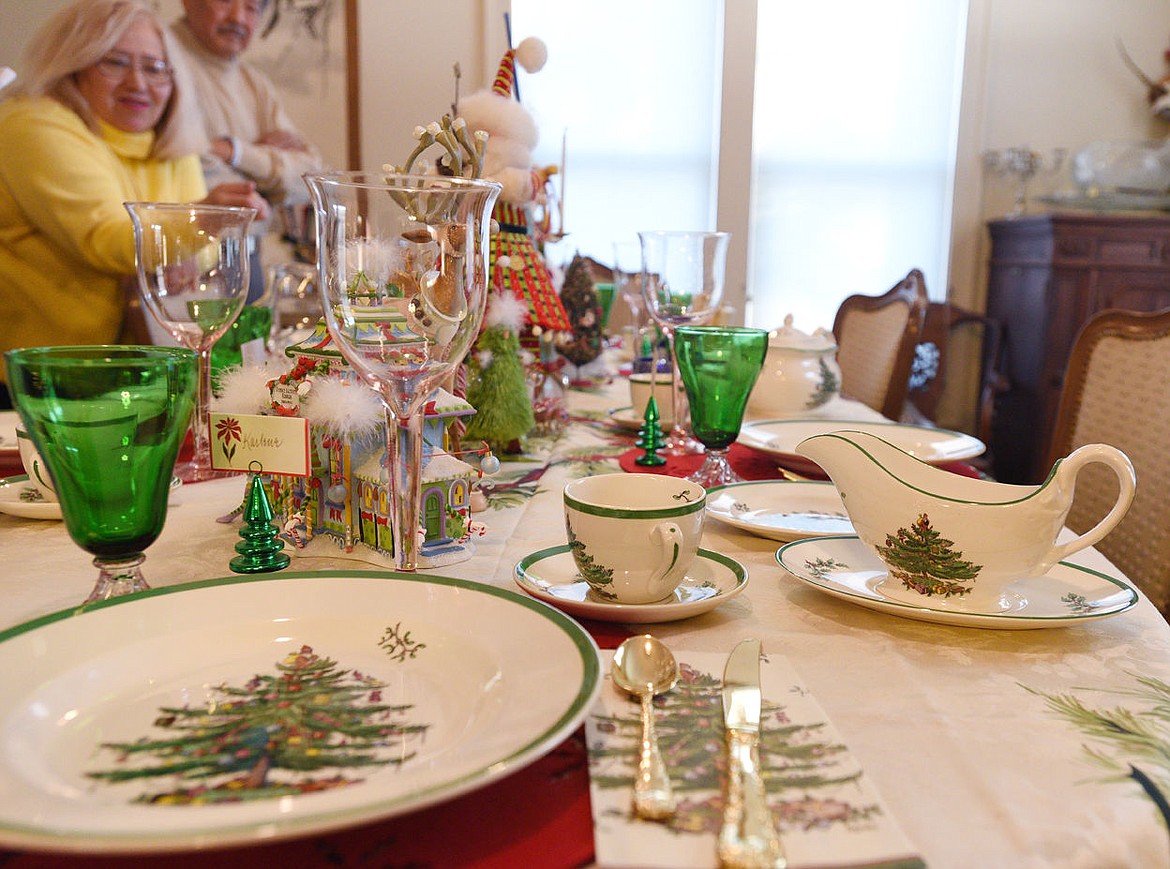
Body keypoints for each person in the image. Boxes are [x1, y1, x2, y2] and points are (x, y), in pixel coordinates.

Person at [0, 0, 269, 409]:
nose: (139, 83)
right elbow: (110, 242)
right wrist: (201, 224)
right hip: (44, 389)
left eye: (155, 67)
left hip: (144, 380)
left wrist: (188, 242)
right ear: (73, 64)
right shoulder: (31, 123)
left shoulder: (170, 140)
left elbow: (201, 252)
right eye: (115, 62)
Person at [169, 0, 324, 300]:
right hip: (186, 264)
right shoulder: (161, 63)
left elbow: (311, 175)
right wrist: (268, 175)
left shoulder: (255, 84)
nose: (238, 17)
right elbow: (184, 162)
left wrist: (235, 151)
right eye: (226, 1)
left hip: (249, 260)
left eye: (252, 8)